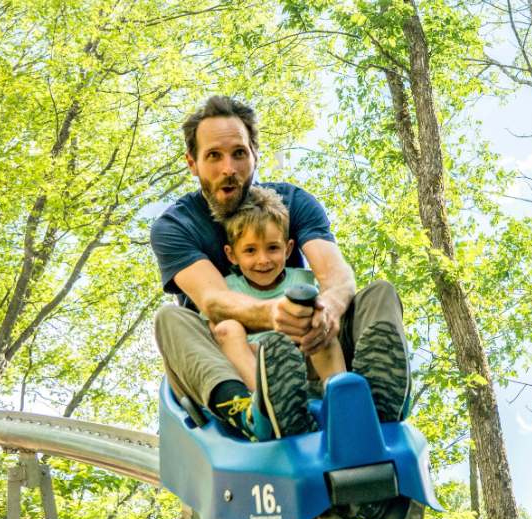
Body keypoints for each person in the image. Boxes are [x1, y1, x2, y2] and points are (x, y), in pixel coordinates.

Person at [150, 95, 411, 440]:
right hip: (231, 362)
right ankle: (251, 411)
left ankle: (371, 401)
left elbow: (335, 273)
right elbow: (214, 301)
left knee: (380, 293)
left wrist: (327, 309)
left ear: (255, 155)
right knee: (169, 319)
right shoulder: (175, 226)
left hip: (311, 348)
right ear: (192, 163)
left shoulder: (292, 203)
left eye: (239, 153)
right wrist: (276, 313)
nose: (228, 168)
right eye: (214, 156)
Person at [205, 185, 346, 440]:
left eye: (272, 248)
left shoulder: (302, 280)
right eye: (250, 250)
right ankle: (264, 404)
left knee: (319, 317)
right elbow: (214, 333)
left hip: (304, 363)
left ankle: (340, 393)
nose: (263, 260)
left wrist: (319, 318)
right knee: (225, 327)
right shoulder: (226, 289)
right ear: (232, 254)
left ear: (288, 249)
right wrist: (258, 352)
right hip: (254, 369)